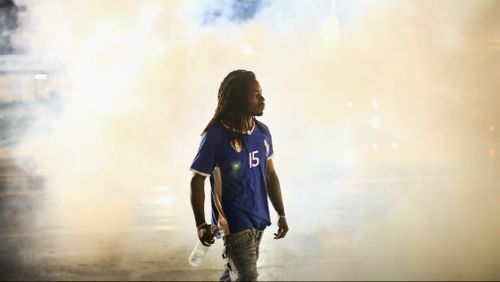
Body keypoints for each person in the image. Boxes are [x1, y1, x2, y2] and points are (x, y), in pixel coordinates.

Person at [189, 70, 288, 281]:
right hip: (234, 222)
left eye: (262, 93)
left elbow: (270, 176)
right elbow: (197, 181)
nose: (262, 99)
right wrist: (201, 224)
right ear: (239, 99)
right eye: (256, 94)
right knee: (247, 276)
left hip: (258, 218)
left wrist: (281, 214)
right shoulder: (215, 136)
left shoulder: (262, 132)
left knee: (235, 274)